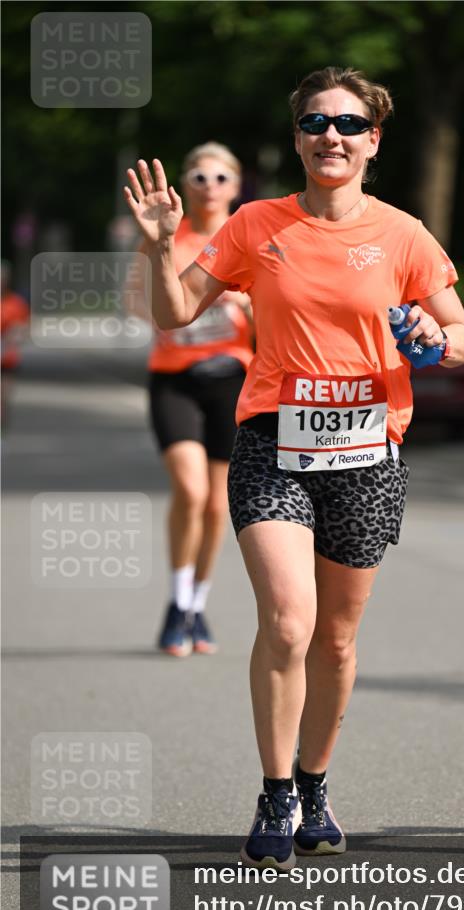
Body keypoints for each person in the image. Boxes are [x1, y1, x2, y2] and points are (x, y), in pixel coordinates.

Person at [124, 66, 464, 869]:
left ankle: (315, 784)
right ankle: (276, 789)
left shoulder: (403, 234)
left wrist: (431, 334)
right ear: (297, 138)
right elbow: (176, 311)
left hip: (366, 449)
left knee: (338, 642)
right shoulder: (255, 225)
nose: (332, 137)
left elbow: (458, 335)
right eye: (316, 123)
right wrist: (153, 243)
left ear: (372, 140)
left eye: (349, 124)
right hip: (272, 441)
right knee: (289, 620)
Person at [126, 143, 254, 657]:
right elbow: (135, 301)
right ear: (185, 182)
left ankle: (195, 605)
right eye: (199, 176)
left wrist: (243, 300)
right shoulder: (163, 235)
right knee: (190, 489)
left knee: (217, 505)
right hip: (174, 376)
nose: (210, 186)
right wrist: (169, 313)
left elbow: (275, 305)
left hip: (231, 379)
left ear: (235, 185)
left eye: (221, 177)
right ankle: (177, 602)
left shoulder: (247, 237)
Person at [1, 260, 30, 428]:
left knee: (3, 397)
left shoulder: (16, 303)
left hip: (7, 359)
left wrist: (15, 334)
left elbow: (24, 328)